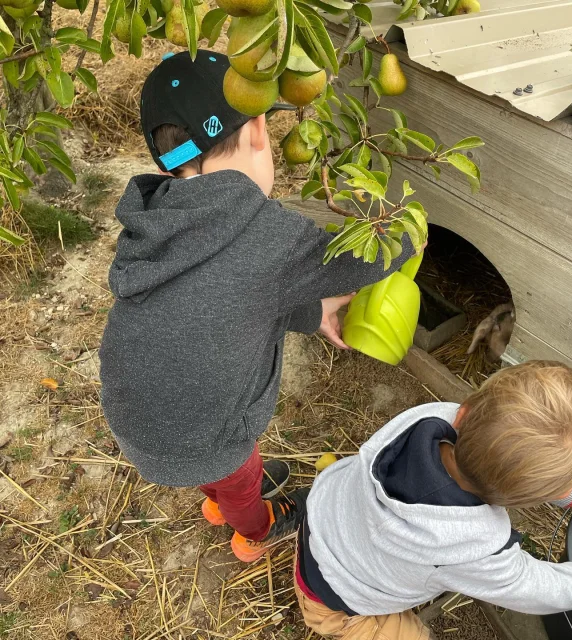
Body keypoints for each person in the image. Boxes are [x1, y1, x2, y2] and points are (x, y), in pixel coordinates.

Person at [99, 50, 420, 563]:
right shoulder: (265, 235)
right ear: (258, 134)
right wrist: (408, 231)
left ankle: (215, 494)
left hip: (138, 423)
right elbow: (364, 259)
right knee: (242, 481)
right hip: (207, 432)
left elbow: (233, 301)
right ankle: (253, 529)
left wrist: (315, 314)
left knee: (216, 469)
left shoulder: (156, 220)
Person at [295, 361, 572, 639]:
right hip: (335, 599)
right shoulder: (473, 550)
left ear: (466, 412)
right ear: (525, 501)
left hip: (325, 517)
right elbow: (546, 589)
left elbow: (518, 462)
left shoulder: (435, 419)